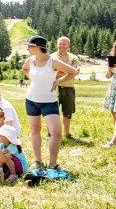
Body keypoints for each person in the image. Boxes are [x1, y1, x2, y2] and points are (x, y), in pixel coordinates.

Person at [22, 35, 78, 171]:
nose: (28, 48)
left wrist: (58, 81)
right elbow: (24, 69)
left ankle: (53, 163)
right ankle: (37, 160)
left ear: (38, 47)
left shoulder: (52, 62)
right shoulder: (30, 60)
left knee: (56, 132)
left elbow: (73, 71)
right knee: (35, 130)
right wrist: (32, 79)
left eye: (30, 46)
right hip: (31, 100)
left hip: (49, 101)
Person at [51, 36, 81, 139]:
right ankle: (50, 133)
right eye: (60, 43)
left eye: (64, 44)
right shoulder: (51, 57)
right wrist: (68, 71)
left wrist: (59, 75)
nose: (61, 46)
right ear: (57, 44)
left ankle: (67, 133)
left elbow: (76, 72)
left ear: (68, 45)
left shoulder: (73, 58)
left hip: (69, 88)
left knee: (67, 111)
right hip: (53, 88)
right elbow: (51, 73)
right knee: (51, 111)